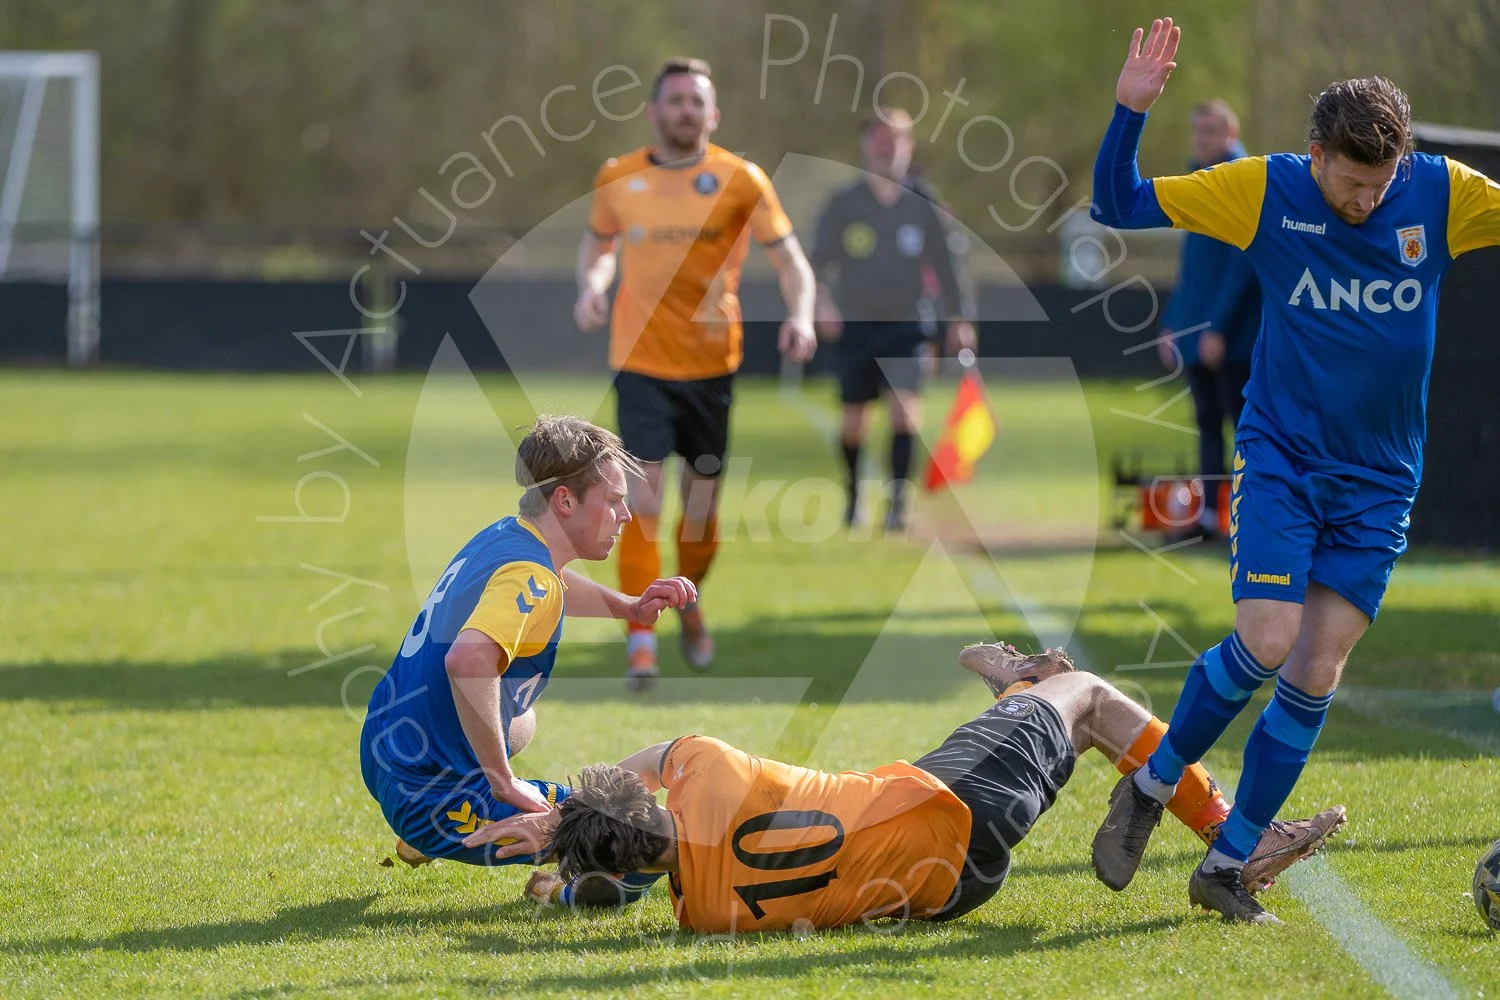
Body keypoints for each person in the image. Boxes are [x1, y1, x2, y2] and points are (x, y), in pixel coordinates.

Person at [1088, 18, 1500, 922]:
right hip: (1283, 459)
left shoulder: (1440, 193)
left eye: (1381, 185)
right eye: (1353, 186)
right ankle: (1152, 788)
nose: (1367, 202)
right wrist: (1130, 111)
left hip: (1382, 483)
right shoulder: (1263, 189)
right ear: (1316, 156)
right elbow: (1117, 204)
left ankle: (1226, 866)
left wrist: (1400, 190)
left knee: (1315, 670)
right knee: (1268, 638)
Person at [463, 642, 1345, 931]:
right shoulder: (707, 770)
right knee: (1089, 698)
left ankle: (1017, 689)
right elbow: (654, 767)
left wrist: (572, 849)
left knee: (1049, 715)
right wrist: (558, 814)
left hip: (950, 893)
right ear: (645, 805)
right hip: (949, 801)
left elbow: (646, 856)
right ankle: (1230, 836)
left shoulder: (698, 914)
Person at [575, 57, 818, 689]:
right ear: (654, 112)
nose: (685, 110)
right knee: (640, 501)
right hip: (640, 364)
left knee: (702, 513)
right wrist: (593, 286)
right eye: (675, 100)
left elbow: (792, 262)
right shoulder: (617, 177)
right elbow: (599, 245)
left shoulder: (741, 179)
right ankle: (640, 643)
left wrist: (803, 314)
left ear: (714, 115)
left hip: (712, 369)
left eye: (696, 101)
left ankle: (688, 598)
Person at [359, 416, 696, 868]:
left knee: (523, 719)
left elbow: (550, 584)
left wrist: (631, 608)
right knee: (634, 834)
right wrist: (504, 781)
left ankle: (442, 827)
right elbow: (468, 660)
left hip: (385, 746)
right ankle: (539, 871)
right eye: (613, 500)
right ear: (564, 500)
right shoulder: (531, 575)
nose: (626, 514)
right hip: (431, 792)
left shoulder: (510, 536)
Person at [810, 108, 978, 531]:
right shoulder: (844, 204)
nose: (888, 147)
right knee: (854, 423)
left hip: (909, 326)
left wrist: (959, 318)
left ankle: (898, 500)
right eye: (880, 139)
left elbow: (947, 265)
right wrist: (821, 304)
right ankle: (854, 494)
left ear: (909, 146)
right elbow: (814, 264)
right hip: (856, 327)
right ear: (866, 145)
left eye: (896, 139)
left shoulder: (924, 202)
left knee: (905, 411)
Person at [1156, 99, 1261, 540]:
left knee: (1243, 428)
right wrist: (1173, 323)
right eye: (1199, 132)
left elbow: (1243, 265)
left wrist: (1217, 328)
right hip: (1196, 332)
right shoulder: (1197, 182)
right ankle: (1210, 517)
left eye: (1212, 132)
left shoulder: (1242, 182)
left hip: (1233, 337)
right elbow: (1192, 268)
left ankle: (1250, 519)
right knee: (1206, 421)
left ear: (1232, 133)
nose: (1204, 140)